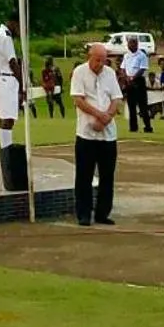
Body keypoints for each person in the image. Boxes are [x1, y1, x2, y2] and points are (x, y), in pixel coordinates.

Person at [70, 40, 122, 226]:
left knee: (107, 175)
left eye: (103, 60)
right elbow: (78, 100)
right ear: (89, 57)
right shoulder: (79, 73)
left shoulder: (110, 74)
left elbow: (116, 98)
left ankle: (103, 213)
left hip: (108, 134)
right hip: (87, 133)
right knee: (84, 174)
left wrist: (107, 116)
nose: (100, 64)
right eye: (97, 60)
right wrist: (98, 115)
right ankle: (84, 213)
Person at [0, 16, 23, 155]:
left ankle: (6, 146)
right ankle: (6, 149)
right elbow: (12, 62)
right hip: (7, 78)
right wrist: (22, 83)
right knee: (8, 118)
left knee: (5, 116)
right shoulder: (6, 37)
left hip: (3, 79)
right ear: (12, 23)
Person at [119, 34, 152, 135]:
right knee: (131, 105)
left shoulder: (141, 55)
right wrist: (126, 77)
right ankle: (133, 127)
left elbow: (142, 68)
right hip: (128, 81)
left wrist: (133, 78)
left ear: (136, 44)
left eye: (133, 43)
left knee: (143, 105)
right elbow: (123, 68)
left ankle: (147, 126)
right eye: (129, 43)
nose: (131, 45)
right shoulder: (126, 55)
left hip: (138, 81)